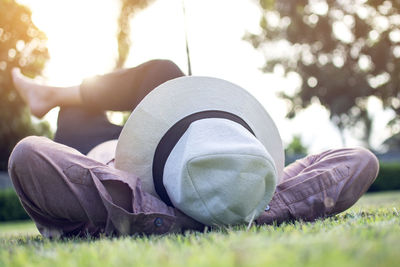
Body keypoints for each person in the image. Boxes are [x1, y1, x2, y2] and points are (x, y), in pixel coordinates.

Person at [8, 59, 379, 239]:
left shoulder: (115, 205)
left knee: (74, 111)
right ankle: (51, 94)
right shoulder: (247, 181)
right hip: (160, 147)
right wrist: (253, 207)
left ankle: (53, 96)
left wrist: (177, 220)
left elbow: (30, 158)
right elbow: (359, 161)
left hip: (97, 150)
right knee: (162, 73)